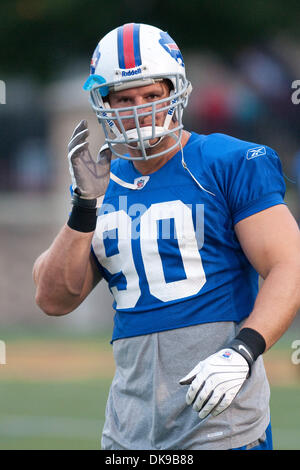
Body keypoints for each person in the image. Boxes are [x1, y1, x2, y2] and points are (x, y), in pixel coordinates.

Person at [33, 23, 300, 450]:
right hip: (129, 429)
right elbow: (53, 299)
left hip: (222, 423)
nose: (139, 110)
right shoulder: (101, 183)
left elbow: (290, 264)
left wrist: (244, 350)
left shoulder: (229, 161)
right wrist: (84, 206)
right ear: (104, 104)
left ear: (175, 93)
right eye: (124, 98)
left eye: (151, 95)